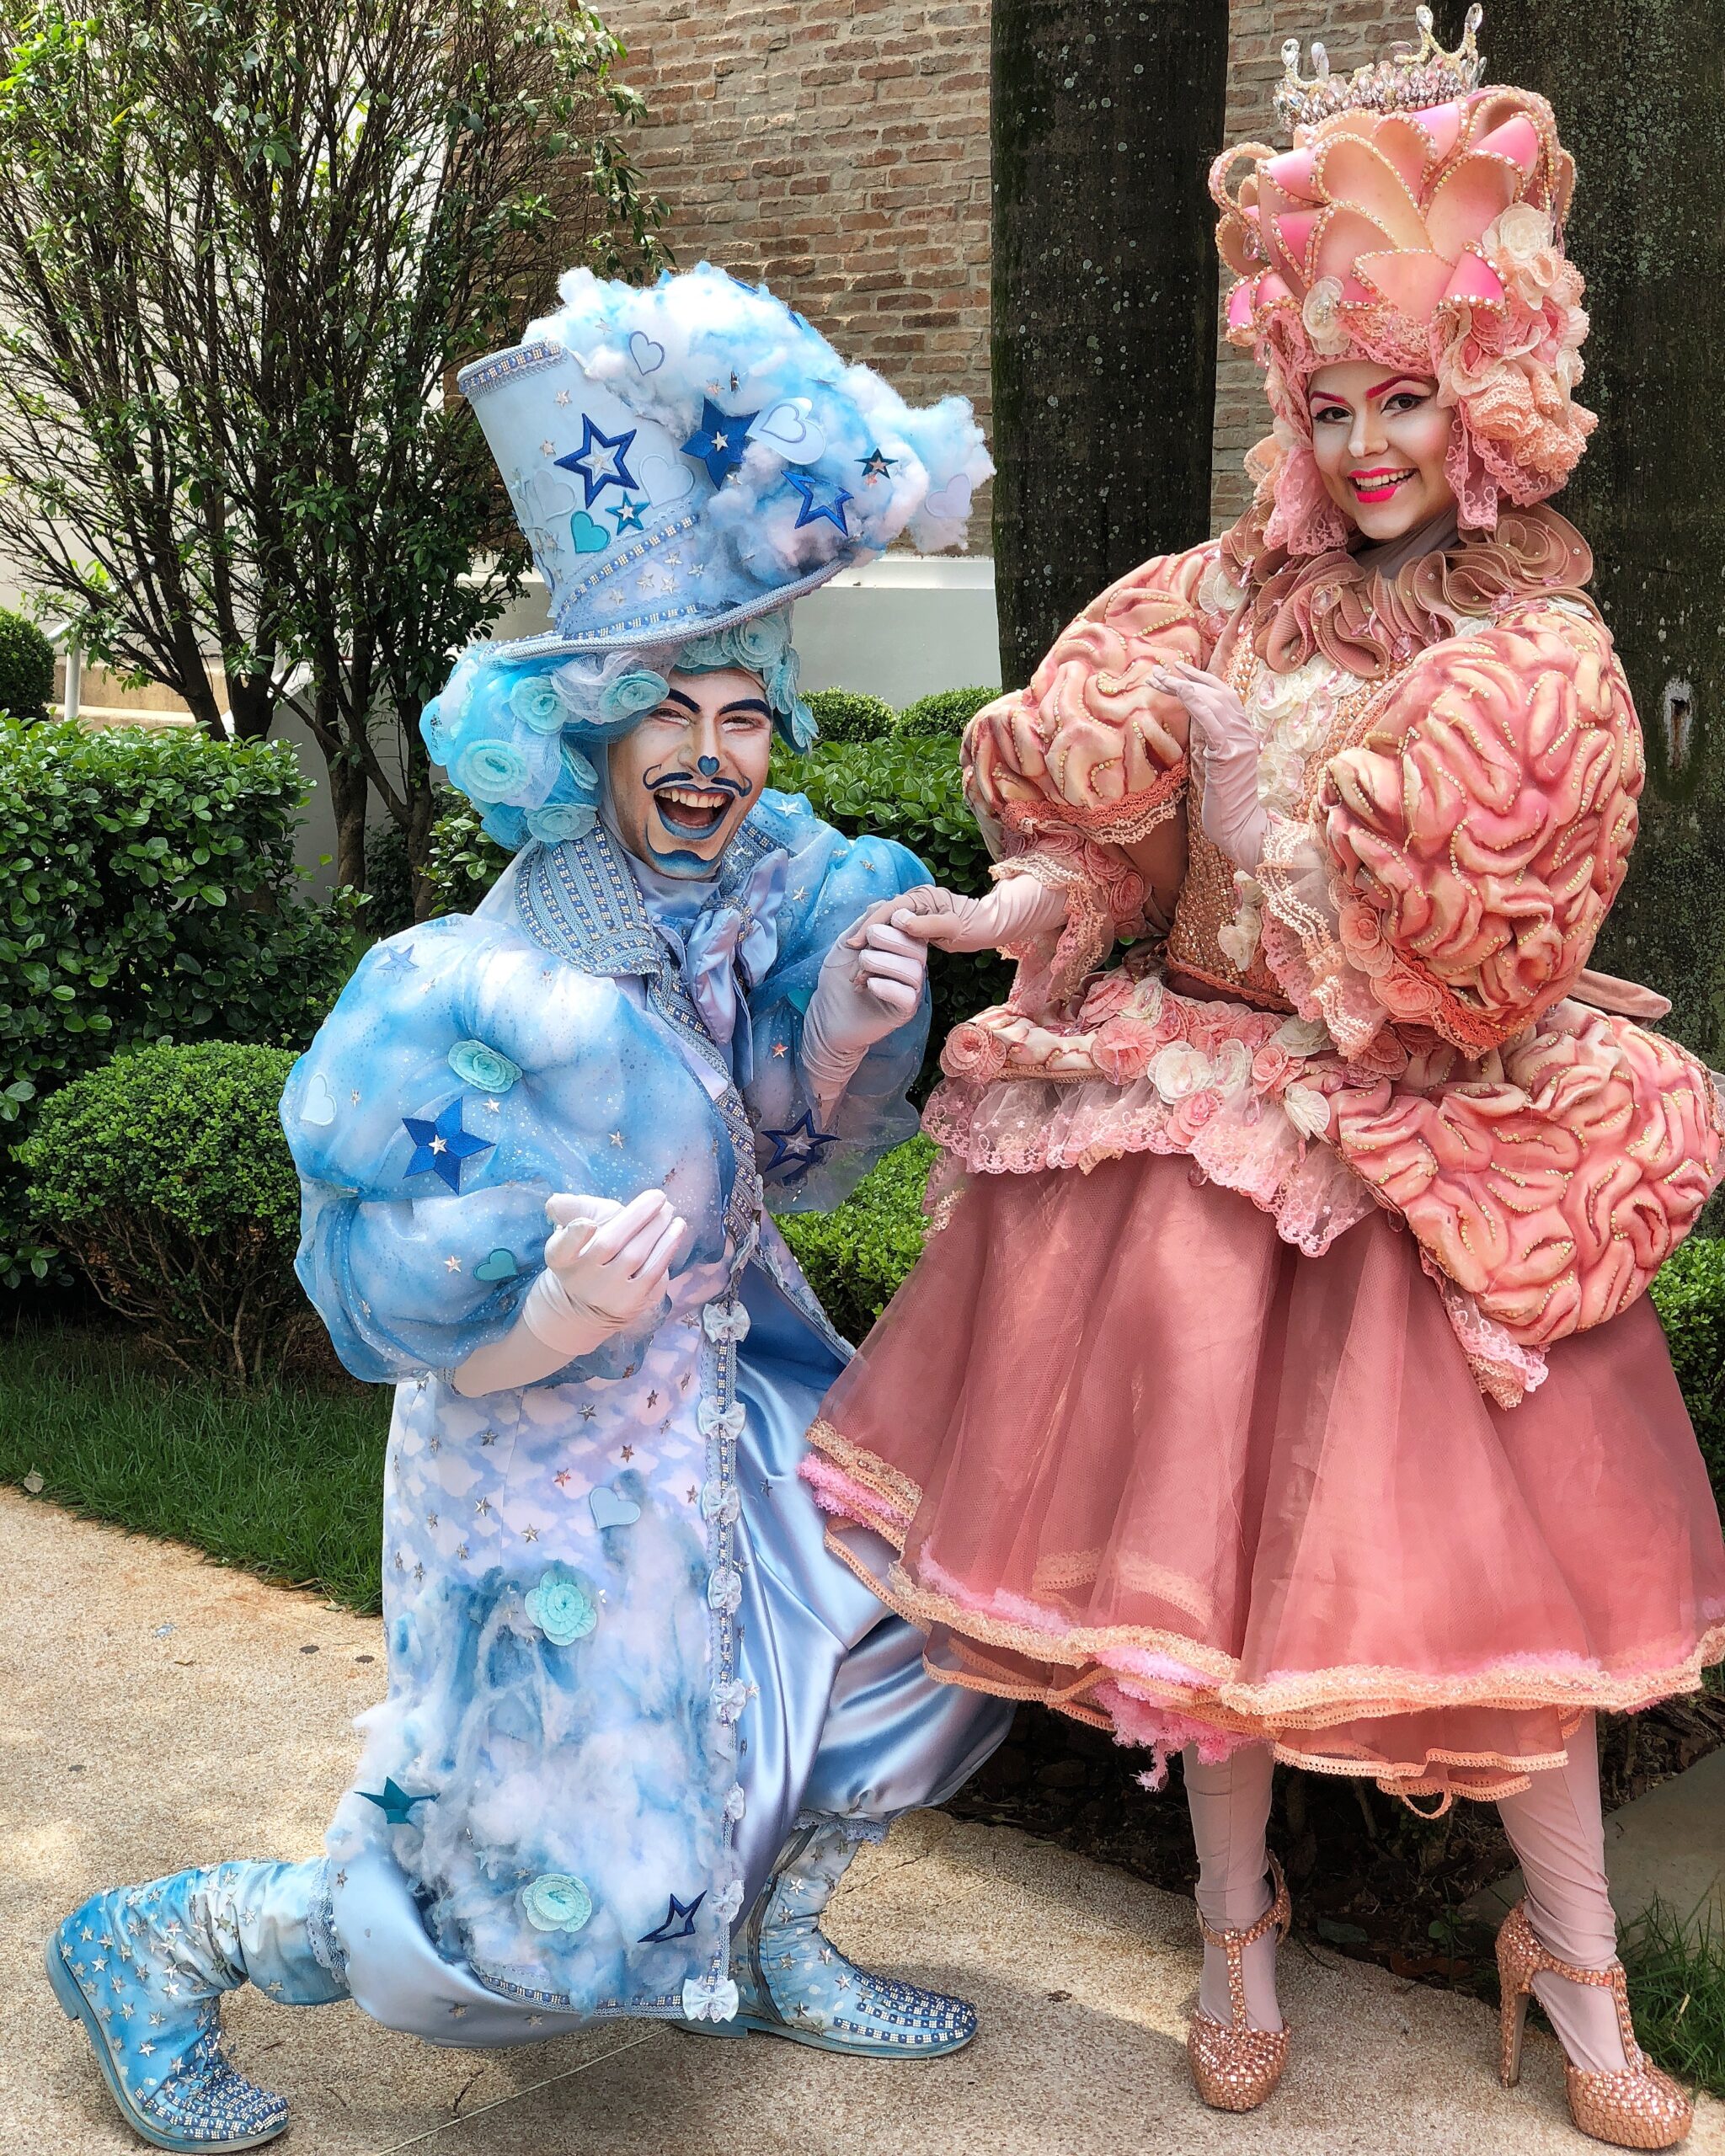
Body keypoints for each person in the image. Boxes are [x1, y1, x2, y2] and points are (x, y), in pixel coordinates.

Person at [803, 13, 1724, 2146]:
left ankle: (1573, 1965)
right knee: (1184, 1590)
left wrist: (1355, 864)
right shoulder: (1213, 598)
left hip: (1421, 1141)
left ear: (1486, 395)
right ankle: (1236, 1928)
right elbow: (1114, 831)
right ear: (1290, 409)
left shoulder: (1531, 642)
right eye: (1331, 401)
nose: (1369, 442)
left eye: (1406, 395)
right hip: (1206, 1132)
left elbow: (1507, 911)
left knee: (1517, 1597)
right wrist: (1032, 886)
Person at [46, 263, 1009, 2153]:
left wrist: (835, 1033)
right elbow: (391, 1309)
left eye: (745, 712)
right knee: (521, 1910)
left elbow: (769, 1160)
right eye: (669, 714)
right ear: (581, 734)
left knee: (938, 1603)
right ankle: (168, 1939)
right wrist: (558, 1307)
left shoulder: (757, 898)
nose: (713, 755)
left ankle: (774, 1930)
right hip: (547, 1459)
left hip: (737, 1392)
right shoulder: (469, 995)